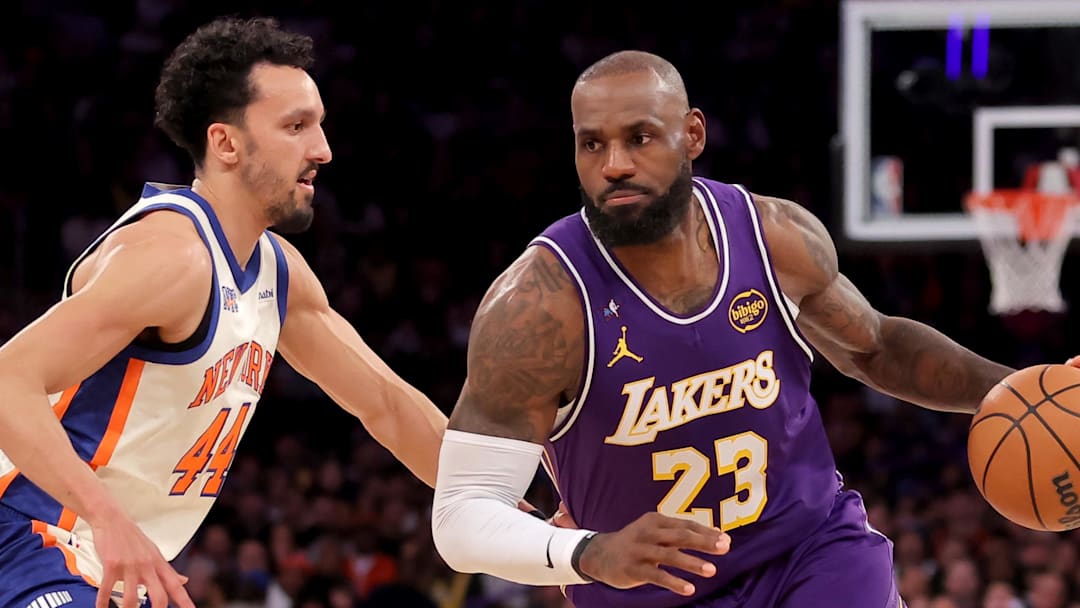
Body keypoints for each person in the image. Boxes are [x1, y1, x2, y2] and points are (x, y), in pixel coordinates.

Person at [430, 50, 1059, 608]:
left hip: (812, 554)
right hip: (652, 594)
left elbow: (875, 346)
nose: (614, 164)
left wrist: (1029, 391)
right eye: (591, 144)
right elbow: (460, 517)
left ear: (693, 134)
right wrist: (587, 553)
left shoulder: (772, 235)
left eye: (640, 137)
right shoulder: (541, 304)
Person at [0, 16, 453, 608]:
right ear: (226, 143)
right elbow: (8, 379)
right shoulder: (173, 256)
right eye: (296, 127)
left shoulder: (278, 272)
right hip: (32, 538)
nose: (323, 150)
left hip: (107, 563)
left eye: (319, 125)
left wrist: (515, 508)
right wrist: (108, 519)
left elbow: (388, 407)